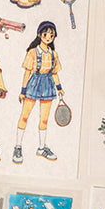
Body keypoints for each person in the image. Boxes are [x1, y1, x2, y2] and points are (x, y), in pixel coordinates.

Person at [13, 21, 63, 163]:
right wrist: (23, 91)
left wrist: (59, 88)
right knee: (24, 116)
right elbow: (27, 73)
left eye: (52, 35)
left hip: (48, 85)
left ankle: (41, 148)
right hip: (34, 84)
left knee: (44, 119)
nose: (48, 37)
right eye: (46, 34)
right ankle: (18, 147)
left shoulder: (54, 54)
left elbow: (54, 73)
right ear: (39, 35)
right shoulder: (33, 52)